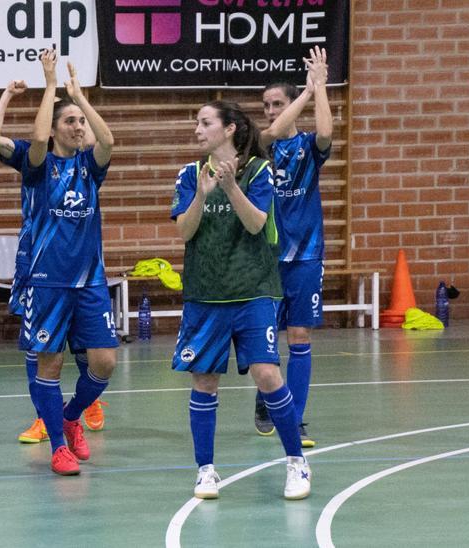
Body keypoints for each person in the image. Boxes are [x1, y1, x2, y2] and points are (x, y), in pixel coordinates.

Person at [169, 100, 311, 500]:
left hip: (253, 291)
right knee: (205, 380)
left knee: (267, 375)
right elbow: (185, 232)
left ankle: (296, 462)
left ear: (229, 128)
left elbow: (256, 224)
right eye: (196, 122)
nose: (197, 129)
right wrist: (202, 194)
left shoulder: (261, 172)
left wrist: (231, 188)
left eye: (205, 122)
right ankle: (206, 470)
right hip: (205, 294)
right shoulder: (189, 174)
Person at [0, 51, 120, 476]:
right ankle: (57, 446)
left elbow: (108, 142)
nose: (78, 127)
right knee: (49, 363)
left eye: (80, 122)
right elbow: (32, 141)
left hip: (89, 280)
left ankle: (71, 417)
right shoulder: (38, 166)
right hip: (47, 281)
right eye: (69, 122)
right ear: (53, 130)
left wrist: (81, 99)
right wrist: (50, 86)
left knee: (104, 362)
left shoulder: (90, 166)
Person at [253, 46, 332, 448]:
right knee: (264, 338)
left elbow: (326, 133)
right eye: (266, 104)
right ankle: (267, 395)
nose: (269, 110)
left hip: (303, 256)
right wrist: (306, 92)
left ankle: (295, 419)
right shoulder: (260, 147)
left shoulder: (305, 150)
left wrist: (319, 90)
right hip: (263, 259)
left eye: (276, 103)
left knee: (299, 335)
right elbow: (268, 133)